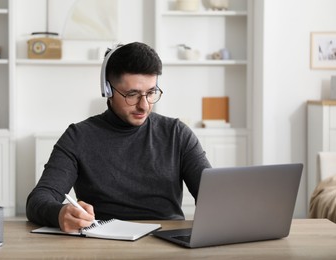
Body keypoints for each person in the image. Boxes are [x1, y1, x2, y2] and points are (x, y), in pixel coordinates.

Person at [26, 42, 211, 232]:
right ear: (108, 90)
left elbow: (212, 196)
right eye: (132, 94)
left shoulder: (176, 134)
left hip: (166, 240)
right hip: (104, 243)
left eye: (151, 92)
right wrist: (59, 213)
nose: (144, 105)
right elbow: (38, 199)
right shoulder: (78, 137)